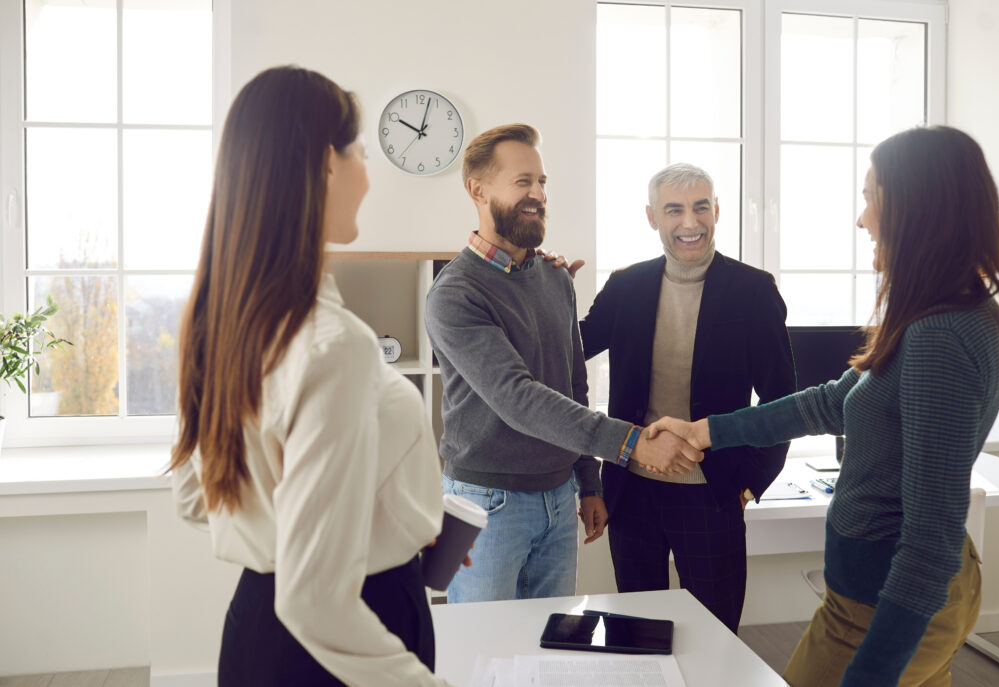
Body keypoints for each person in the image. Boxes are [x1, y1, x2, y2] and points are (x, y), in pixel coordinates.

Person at [648, 126, 999, 687]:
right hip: (871, 597)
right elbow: (831, 402)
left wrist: (871, 673)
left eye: (870, 196)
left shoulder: (940, 335)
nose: (862, 217)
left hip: (885, 604)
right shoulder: (935, 315)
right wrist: (706, 431)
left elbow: (930, 539)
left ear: (917, 207)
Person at [169, 66, 453, 687]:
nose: (368, 175)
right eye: (361, 152)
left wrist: (371, 521)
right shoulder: (336, 345)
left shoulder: (225, 319)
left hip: (255, 634)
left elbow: (198, 497)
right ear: (327, 163)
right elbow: (315, 599)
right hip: (345, 640)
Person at [425, 123, 703, 604]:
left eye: (542, 182)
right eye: (522, 182)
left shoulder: (554, 277)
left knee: (549, 652)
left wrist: (587, 482)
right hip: (483, 503)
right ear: (477, 189)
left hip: (558, 498)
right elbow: (519, 399)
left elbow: (573, 384)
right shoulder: (454, 294)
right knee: (480, 657)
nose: (538, 195)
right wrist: (631, 443)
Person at [576, 163, 796, 633]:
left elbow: (782, 396)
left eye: (701, 207)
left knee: (715, 635)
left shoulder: (753, 291)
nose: (690, 223)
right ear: (652, 216)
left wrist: (754, 478)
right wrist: (546, 287)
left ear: (716, 210)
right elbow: (568, 353)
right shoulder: (625, 286)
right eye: (674, 210)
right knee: (637, 630)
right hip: (631, 491)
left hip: (712, 493)